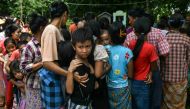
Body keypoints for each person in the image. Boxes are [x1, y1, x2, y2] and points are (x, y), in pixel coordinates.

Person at [39, 1, 88, 108]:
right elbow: (47, 62)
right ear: (65, 14)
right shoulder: (51, 30)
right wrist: (69, 74)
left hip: (55, 77)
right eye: (66, 16)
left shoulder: (55, 29)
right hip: (52, 78)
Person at [160, 13, 190, 109]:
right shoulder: (186, 39)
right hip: (180, 79)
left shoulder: (164, 38)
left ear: (169, 24)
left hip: (166, 78)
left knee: (166, 103)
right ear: (182, 24)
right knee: (180, 104)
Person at [128, 17, 159, 109]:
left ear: (134, 31)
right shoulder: (150, 48)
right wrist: (150, 73)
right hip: (144, 82)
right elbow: (154, 67)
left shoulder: (130, 44)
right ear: (149, 31)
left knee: (133, 105)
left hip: (131, 80)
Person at [20, 13, 48, 109]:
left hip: (45, 85)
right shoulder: (30, 46)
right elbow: (23, 68)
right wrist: (41, 63)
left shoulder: (46, 43)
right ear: (41, 28)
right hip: (34, 87)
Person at [66, 27, 98, 109]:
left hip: (87, 103)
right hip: (78, 105)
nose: (84, 50)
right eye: (80, 47)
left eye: (88, 46)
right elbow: (69, 90)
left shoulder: (89, 59)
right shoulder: (76, 65)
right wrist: (70, 72)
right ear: (74, 47)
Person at [107, 22, 133, 109]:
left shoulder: (106, 49)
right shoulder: (127, 52)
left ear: (110, 36)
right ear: (124, 35)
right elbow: (130, 74)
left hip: (109, 86)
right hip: (124, 87)